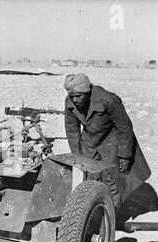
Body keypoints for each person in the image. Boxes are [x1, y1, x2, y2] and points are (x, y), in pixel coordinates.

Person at [63, 73, 151, 210]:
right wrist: (77, 155)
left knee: (112, 180)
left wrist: (124, 155)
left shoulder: (108, 100)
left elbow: (124, 128)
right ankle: (91, 213)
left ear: (88, 91)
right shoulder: (69, 102)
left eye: (78, 96)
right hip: (89, 143)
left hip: (111, 143)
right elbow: (72, 130)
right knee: (90, 178)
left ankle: (111, 215)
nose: (75, 100)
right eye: (72, 96)